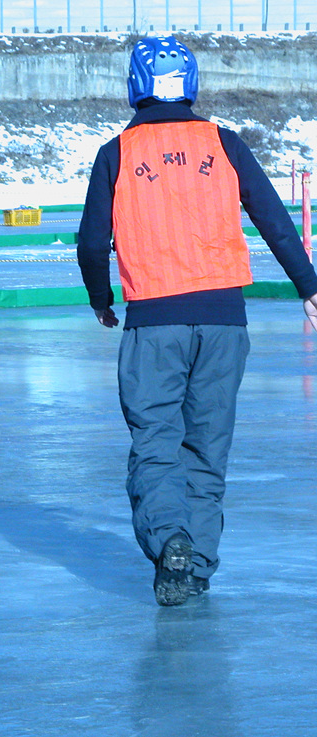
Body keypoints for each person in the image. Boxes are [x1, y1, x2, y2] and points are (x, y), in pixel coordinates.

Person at [76, 37, 317, 606]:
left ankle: (171, 539)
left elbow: (91, 242)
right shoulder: (224, 143)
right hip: (224, 323)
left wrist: (100, 297)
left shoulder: (116, 152)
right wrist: (309, 286)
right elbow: (275, 220)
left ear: (135, 85)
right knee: (208, 448)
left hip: (154, 321)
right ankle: (197, 566)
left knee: (156, 442)